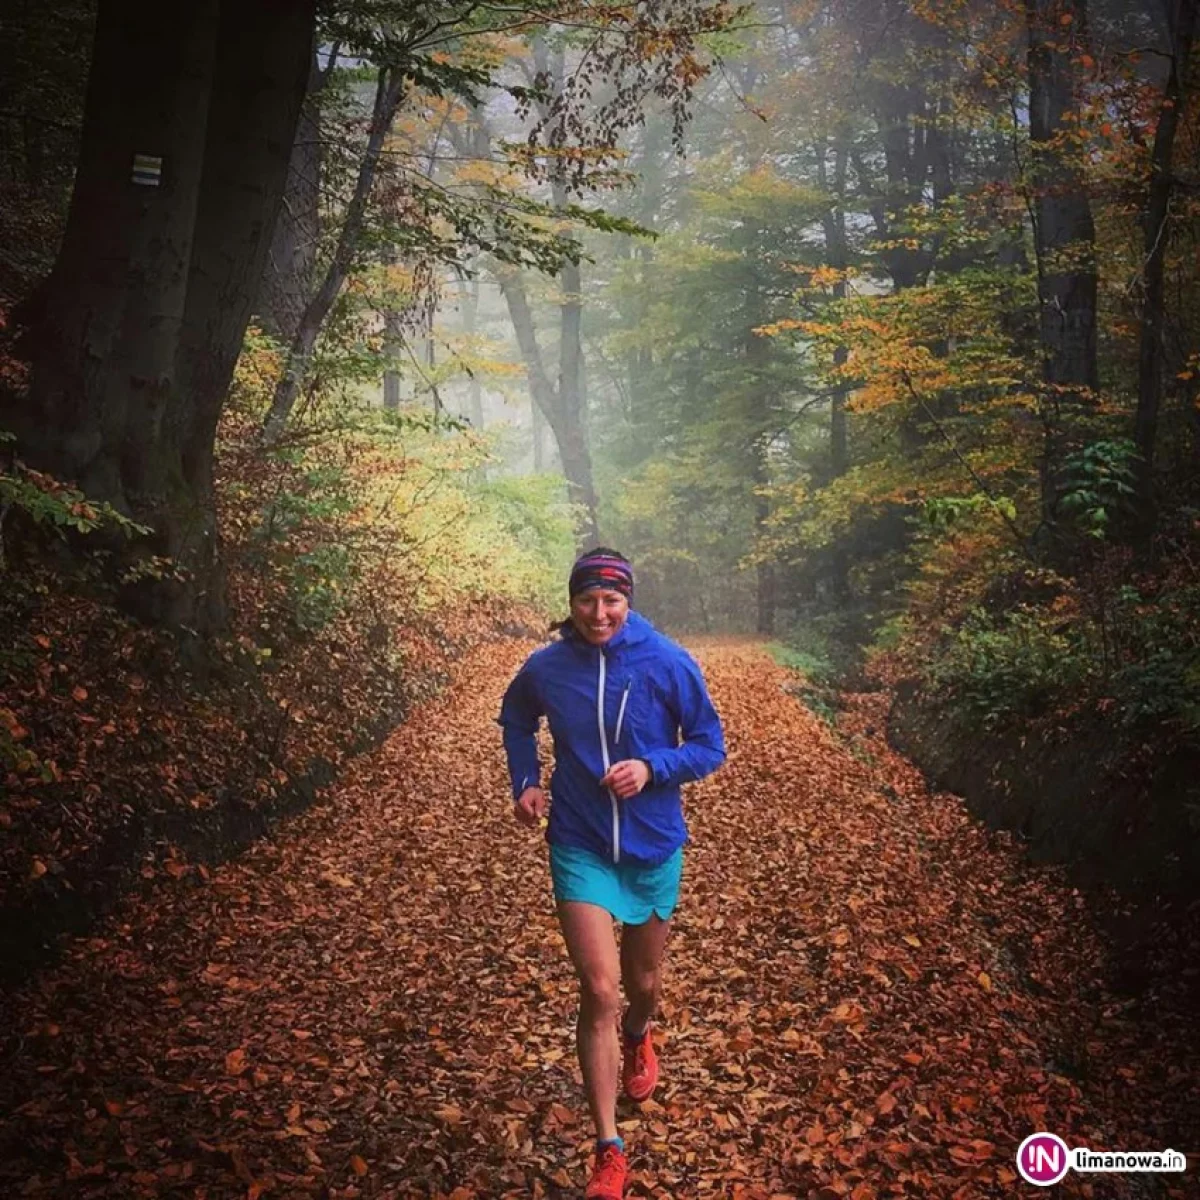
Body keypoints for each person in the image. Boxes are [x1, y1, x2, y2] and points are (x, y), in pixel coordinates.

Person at [498, 548, 726, 1199]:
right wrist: (526, 781)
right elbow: (516, 717)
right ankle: (608, 1147)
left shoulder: (668, 661)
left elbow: (710, 744)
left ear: (628, 601)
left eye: (611, 602)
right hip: (579, 839)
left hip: (654, 845)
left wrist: (653, 767)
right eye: (586, 601)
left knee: (642, 983)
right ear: (570, 602)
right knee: (599, 988)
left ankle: (640, 1033)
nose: (599, 614)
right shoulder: (547, 666)